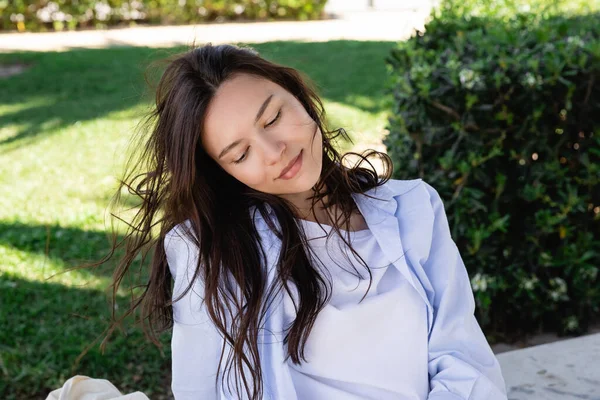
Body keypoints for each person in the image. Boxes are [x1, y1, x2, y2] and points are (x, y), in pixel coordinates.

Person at [107, 43, 508, 400]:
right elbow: (203, 389)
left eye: (273, 118)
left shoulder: (414, 208)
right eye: (240, 154)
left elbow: (462, 356)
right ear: (223, 172)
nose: (274, 152)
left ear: (298, 96)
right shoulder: (212, 245)